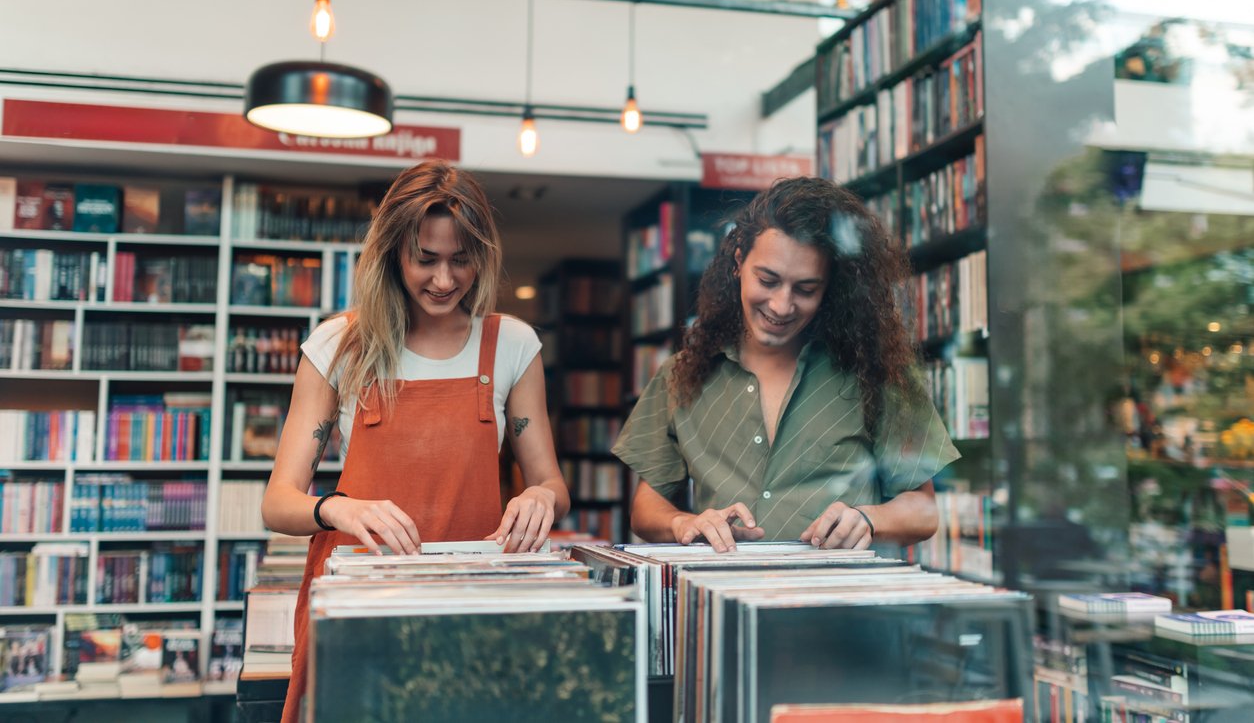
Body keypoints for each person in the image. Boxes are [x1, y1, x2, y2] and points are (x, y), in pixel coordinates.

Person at [262, 160, 570, 723]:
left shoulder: (512, 346)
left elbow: (551, 483)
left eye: (462, 260)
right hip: (361, 605)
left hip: (470, 606)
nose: (445, 280)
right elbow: (278, 502)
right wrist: (339, 508)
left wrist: (541, 498)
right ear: (392, 253)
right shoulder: (340, 345)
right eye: (425, 259)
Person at [613, 177, 959, 552]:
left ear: (830, 288)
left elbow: (924, 511)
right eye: (768, 280)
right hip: (727, 598)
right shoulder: (680, 375)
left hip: (842, 602)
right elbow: (645, 510)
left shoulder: (875, 369)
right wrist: (683, 522)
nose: (781, 306)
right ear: (738, 262)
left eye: (805, 289)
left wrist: (868, 519)